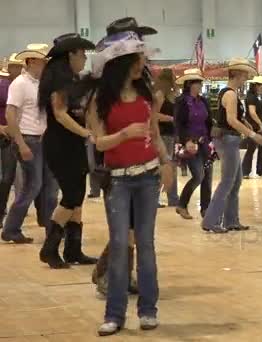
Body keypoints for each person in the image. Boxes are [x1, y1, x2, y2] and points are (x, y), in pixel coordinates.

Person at [88, 30, 173, 336]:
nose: (142, 64)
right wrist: (123, 135)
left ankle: (148, 310)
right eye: (136, 59)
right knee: (122, 245)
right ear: (120, 63)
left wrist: (166, 162)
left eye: (142, 58)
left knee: (146, 245)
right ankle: (114, 314)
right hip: (119, 180)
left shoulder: (148, 95)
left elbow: (155, 134)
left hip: (149, 177)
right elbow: (98, 143)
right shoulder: (100, 99)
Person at [37, 33, 98, 269]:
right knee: (72, 196)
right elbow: (60, 113)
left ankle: (73, 249)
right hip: (60, 144)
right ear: (70, 54)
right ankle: (49, 249)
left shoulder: (71, 78)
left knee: (78, 197)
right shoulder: (60, 78)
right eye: (82, 54)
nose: (84, 59)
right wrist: (85, 133)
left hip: (72, 144)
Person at [1, 43, 59, 244]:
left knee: (49, 186)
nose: (45, 64)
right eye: (43, 61)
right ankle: (11, 228)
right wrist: (21, 144)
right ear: (32, 61)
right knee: (32, 187)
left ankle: (52, 227)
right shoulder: (20, 84)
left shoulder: (40, 84)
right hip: (28, 139)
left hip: (42, 140)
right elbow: (10, 113)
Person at [201, 58, 262, 233]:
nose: (245, 79)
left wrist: (245, 122)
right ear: (236, 74)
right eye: (244, 75)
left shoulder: (229, 93)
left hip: (228, 139)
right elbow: (230, 119)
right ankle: (211, 221)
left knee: (235, 181)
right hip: (227, 140)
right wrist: (252, 134)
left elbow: (231, 117)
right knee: (228, 181)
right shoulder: (230, 94)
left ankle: (231, 220)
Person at [174, 68, 213, 220]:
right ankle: (182, 204)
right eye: (198, 82)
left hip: (205, 143)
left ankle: (206, 209)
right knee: (198, 175)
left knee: (208, 176)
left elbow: (208, 121)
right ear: (190, 84)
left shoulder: (203, 101)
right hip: (190, 143)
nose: (201, 85)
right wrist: (186, 140)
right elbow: (179, 124)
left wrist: (211, 138)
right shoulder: (182, 102)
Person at [0, 53, 24, 228]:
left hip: (14, 134)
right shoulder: (2, 85)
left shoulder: (20, 86)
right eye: (14, 66)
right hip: (4, 132)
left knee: (10, 177)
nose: (17, 69)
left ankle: (4, 213)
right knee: (5, 177)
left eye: (19, 66)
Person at [155, 68, 180, 207]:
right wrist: (170, 118)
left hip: (171, 134)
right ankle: (157, 197)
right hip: (163, 134)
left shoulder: (171, 95)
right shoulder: (160, 95)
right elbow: (154, 115)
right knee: (163, 165)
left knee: (172, 166)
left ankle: (173, 197)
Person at [242, 76, 262, 178]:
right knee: (251, 149)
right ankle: (245, 171)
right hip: (254, 127)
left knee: (261, 148)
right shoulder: (251, 97)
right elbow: (252, 112)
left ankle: (260, 170)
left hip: (257, 127)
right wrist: (260, 123)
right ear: (256, 86)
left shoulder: (254, 97)